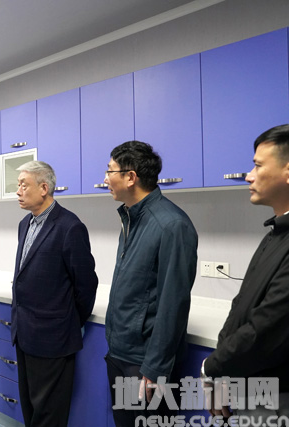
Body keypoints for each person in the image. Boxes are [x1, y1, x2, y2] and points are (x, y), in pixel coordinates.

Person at [103, 141, 198, 426]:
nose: (105, 179)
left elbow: (173, 303)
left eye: (110, 171)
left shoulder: (171, 224)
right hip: (120, 352)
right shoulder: (131, 217)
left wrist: (155, 367)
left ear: (130, 177)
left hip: (145, 363)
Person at [202, 124, 289, 418]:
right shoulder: (276, 233)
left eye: (258, 166)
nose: (249, 176)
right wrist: (220, 372)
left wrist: (212, 368)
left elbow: (268, 328)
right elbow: (241, 308)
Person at [10, 161, 98, 426]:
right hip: (24, 333)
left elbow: (86, 285)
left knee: (49, 414)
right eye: (18, 185)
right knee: (30, 407)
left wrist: (68, 321)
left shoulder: (70, 226)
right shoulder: (25, 224)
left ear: (44, 188)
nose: (18, 191)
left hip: (53, 337)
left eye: (24, 185)